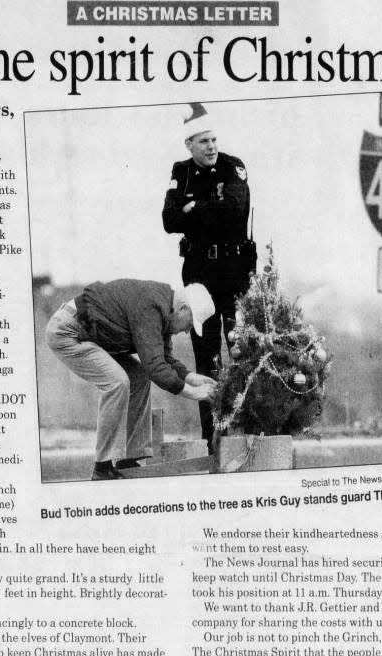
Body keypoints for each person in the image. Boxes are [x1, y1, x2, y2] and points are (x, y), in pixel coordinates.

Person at [46, 279, 217, 480]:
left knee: (138, 376)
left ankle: (129, 459)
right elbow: (156, 368)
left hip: (88, 333)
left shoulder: (163, 309)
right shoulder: (151, 307)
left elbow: (164, 359)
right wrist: (195, 393)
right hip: (67, 332)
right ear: (182, 309)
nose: (186, 331)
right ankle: (101, 467)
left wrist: (194, 379)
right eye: (190, 324)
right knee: (117, 382)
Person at [162, 103, 256, 452]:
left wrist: (194, 209)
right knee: (207, 358)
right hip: (200, 276)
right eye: (203, 141)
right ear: (190, 144)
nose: (211, 146)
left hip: (233, 273)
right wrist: (194, 213)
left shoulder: (234, 166)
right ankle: (213, 438)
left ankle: (249, 430)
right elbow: (169, 220)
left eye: (214, 139)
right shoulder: (181, 171)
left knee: (242, 351)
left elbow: (234, 211)